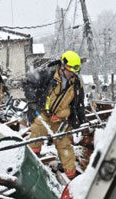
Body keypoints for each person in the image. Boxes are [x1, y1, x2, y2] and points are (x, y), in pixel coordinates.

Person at [23, 50, 86, 179]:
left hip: (61, 118)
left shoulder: (77, 84)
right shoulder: (48, 73)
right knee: (36, 132)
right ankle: (31, 165)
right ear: (62, 66)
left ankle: (72, 177)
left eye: (74, 72)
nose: (71, 75)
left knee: (65, 145)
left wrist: (81, 122)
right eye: (69, 71)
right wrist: (32, 101)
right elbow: (27, 83)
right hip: (44, 113)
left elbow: (79, 105)